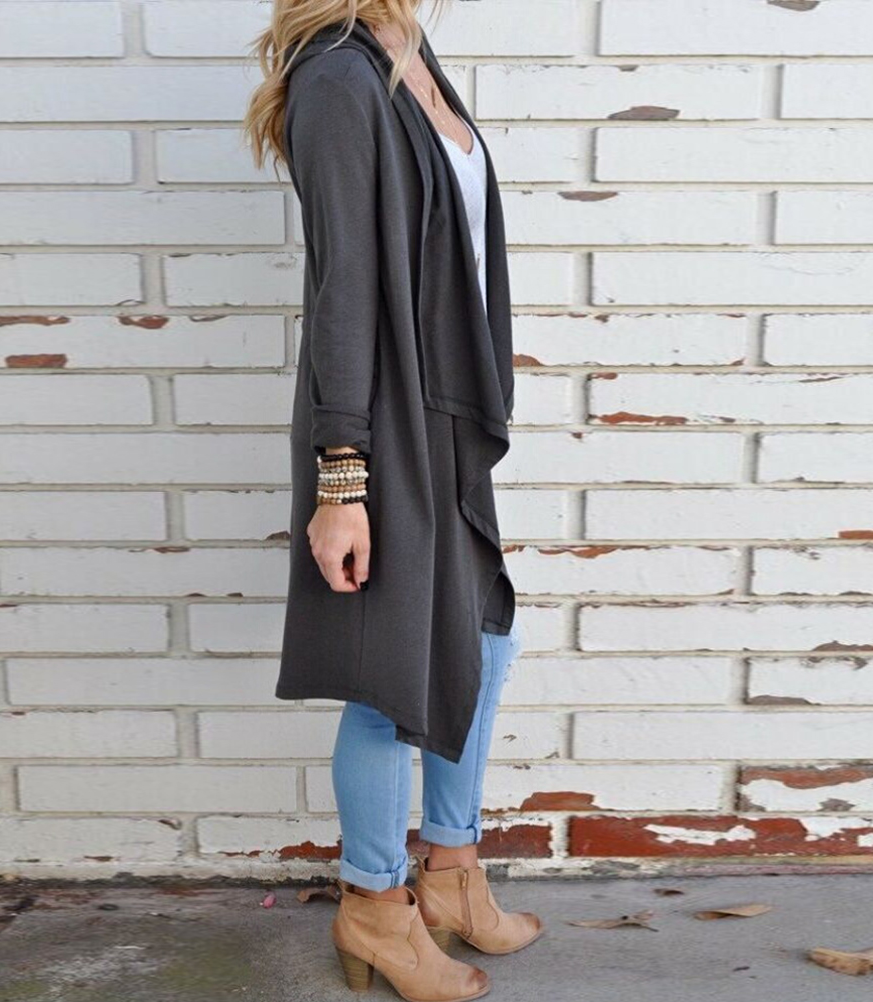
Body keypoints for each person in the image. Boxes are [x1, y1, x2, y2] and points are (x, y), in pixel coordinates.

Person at [245, 2, 543, 998]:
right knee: (387, 677)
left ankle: (451, 872)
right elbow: (343, 289)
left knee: (483, 642)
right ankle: (375, 906)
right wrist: (343, 479)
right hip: (380, 422)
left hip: (447, 414)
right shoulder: (338, 77)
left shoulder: (410, 51)